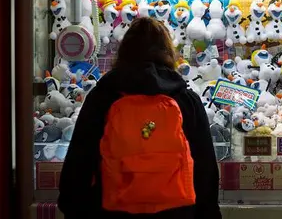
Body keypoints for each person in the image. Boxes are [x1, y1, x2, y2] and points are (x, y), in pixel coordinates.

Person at [58, 17, 221, 219]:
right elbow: (205, 169)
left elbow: (79, 161)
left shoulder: (103, 97)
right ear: (168, 51)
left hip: (111, 209)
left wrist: (73, 206)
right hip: (177, 211)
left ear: (124, 51)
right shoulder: (186, 100)